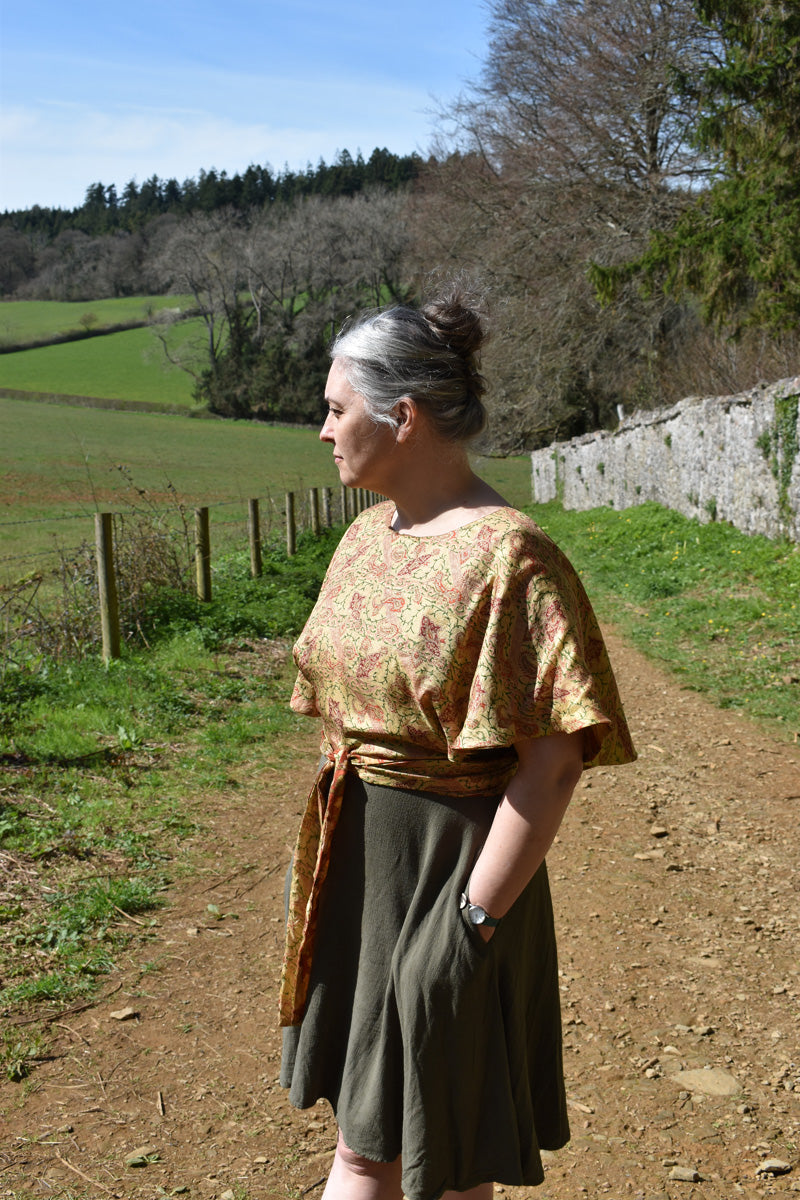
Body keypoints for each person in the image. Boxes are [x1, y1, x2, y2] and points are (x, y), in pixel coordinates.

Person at [279, 284, 636, 1200]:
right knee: (437, 1143)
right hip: (364, 867)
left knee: (383, 1148)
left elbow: (554, 762)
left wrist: (471, 924)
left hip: (453, 878)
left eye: (335, 407)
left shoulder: (511, 554)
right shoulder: (365, 537)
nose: (322, 428)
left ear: (402, 416)